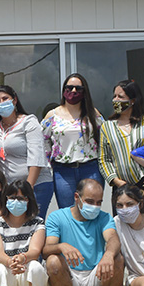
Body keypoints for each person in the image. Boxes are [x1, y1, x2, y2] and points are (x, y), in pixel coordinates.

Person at [43, 178, 125, 286]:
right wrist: (61, 246)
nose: (94, 206)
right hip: (68, 281)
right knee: (53, 261)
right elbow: (46, 250)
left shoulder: (104, 218)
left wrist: (108, 254)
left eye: (98, 202)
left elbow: (113, 239)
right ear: (76, 197)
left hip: (96, 281)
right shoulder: (57, 217)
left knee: (118, 258)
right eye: (89, 201)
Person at [99, 79, 144, 216]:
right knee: (124, 230)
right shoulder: (107, 127)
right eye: (114, 96)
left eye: (120, 97)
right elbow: (104, 159)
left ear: (132, 100)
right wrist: (117, 181)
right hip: (122, 187)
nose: (116, 100)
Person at [42, 73, 104, 210]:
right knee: (68, 213)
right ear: (64, 90)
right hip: (63, 171)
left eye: (78, 88)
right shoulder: (52, 115)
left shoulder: (93, 113)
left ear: (84, 91)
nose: (73, 91)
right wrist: (49, 163)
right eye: (69, 88)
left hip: (90, 168)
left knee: (91, 210)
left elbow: (104, 139)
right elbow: (44, 142)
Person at [0, 85, 54, 217]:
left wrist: (27, 189)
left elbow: (36, 157)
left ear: (14, 100)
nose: (2, 103)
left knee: (34, 227)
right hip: (11, 189)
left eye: (5, 98)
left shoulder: (29, 122)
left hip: (36, 186)